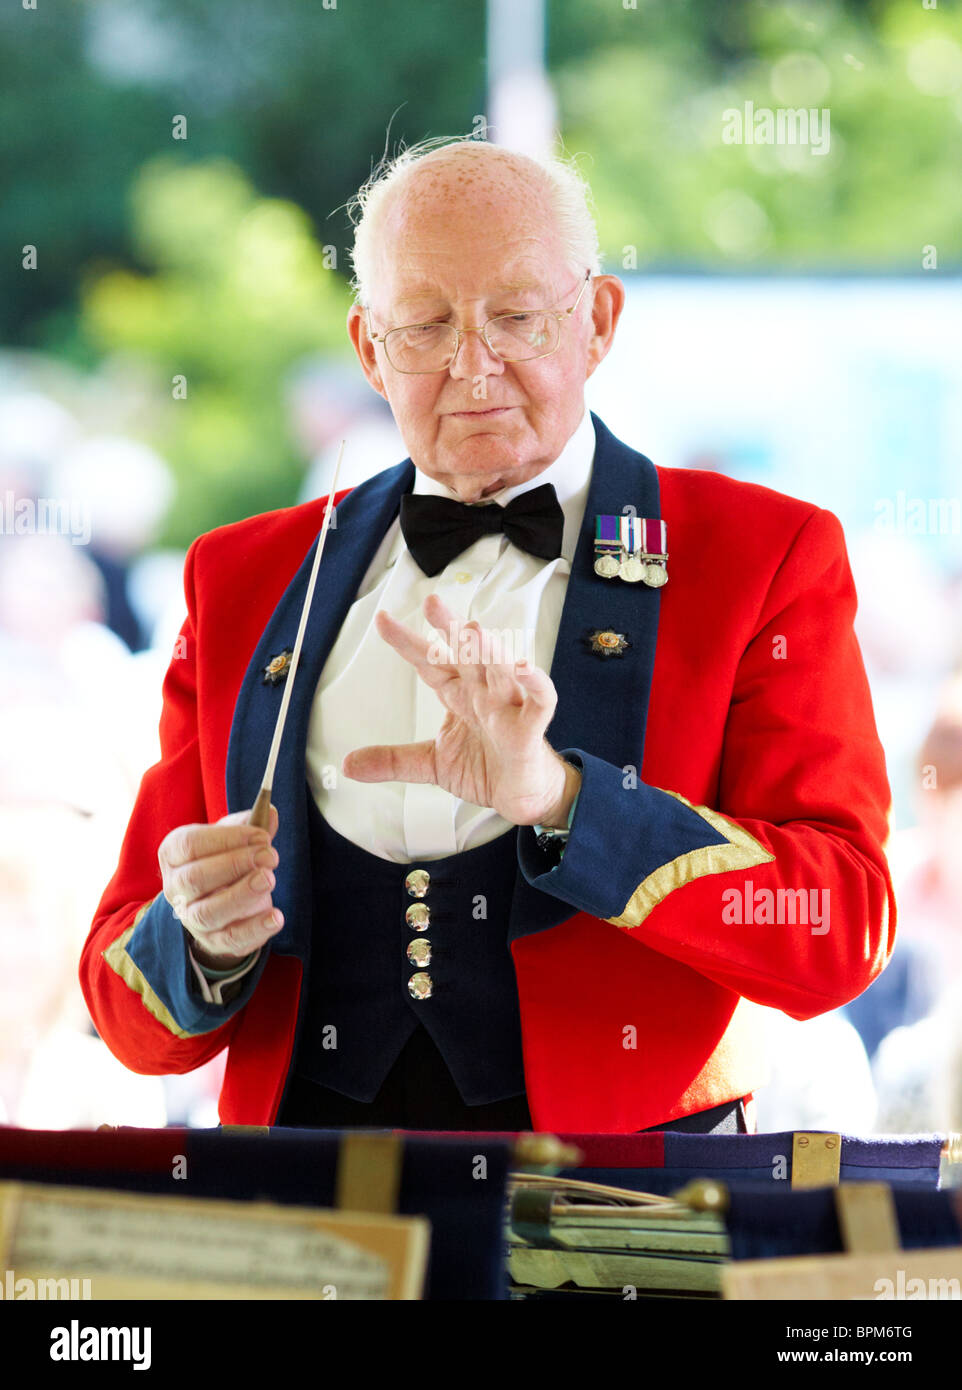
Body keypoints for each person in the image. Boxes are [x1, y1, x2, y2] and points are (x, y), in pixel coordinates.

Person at [79, 136, 896, 1134]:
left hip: (616, 1219)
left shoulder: (760, 555)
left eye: (515, 317)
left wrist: (564, 802)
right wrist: (201, 939)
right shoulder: (243, 575)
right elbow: (122, 1005)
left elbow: (838, 924)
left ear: (595, 322)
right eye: (423, 325)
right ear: (369, 351)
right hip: (312, 1213)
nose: (472, 367)